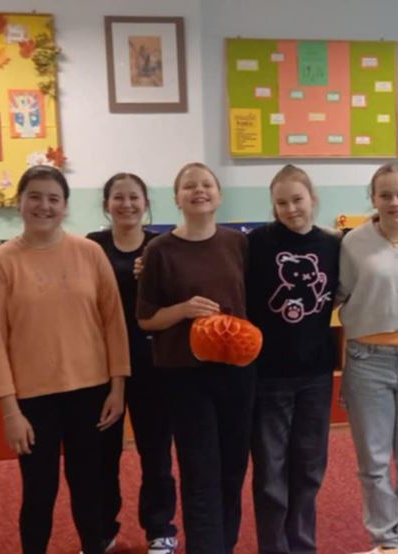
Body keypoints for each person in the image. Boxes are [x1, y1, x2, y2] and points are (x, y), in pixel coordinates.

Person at [0, 165, 130, 554]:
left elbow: (114, 322)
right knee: (39, 491)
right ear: (19, 202)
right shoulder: (1, 262)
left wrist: (117, 387)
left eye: (53, 199)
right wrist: (10, 411)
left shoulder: (90, 253)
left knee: (90, 488)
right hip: (32, 399)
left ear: (65, 205)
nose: (43, 206)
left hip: (92, 392)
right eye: (34, 197)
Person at [137, 162, 255, 554]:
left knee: (233, 469)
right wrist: (184, 310)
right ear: (177, 198)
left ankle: (225, 544)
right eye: (189, 186)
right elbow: (146, 318)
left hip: (236, 373)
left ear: (219, 195)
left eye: (206, 184)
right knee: (200, 471)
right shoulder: (159, 250)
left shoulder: (238, 244)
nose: (199, 191)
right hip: (185, 375)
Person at [337, 161, 398, 549]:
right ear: (373, 198)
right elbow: (340, 292)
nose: (395, 202)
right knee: (374, 462)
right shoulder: (353, 243)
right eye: (385, 195)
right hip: (368, 362)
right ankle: (385, 540)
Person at [247, 164, 340, 553]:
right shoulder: (256, 243)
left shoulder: (333, 245)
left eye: (297, 199)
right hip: (269, 375)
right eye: (281, 203)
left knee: (309, 467)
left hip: (316, 374)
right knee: (271, 471)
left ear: (312, 199)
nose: (291, 209)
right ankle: (274, 547)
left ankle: (302, 545)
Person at [88, 173, 178, 554]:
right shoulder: (92, 245)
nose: (126, 204)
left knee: (156, 452)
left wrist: (155, 277)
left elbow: (176, 297)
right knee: (101, 454)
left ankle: (160, 528)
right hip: (102, 364)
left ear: (146, 203)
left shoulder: (162, 245)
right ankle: (102, 530)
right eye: (118, 197)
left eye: (134, 197)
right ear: (106, 204)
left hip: (152, 362)